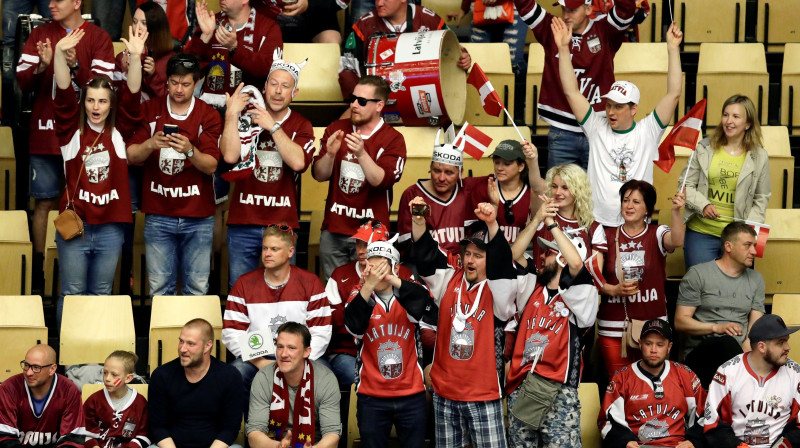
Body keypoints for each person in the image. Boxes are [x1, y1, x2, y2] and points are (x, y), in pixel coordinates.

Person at [16, 0, 114, 291]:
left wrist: (75, 66)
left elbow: (104, 88)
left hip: (86, 140)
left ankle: (73, 271)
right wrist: (44, 65)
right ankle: (39, 273)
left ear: (77, 3)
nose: (51, 3)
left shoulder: (98, 37)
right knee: (44, 203)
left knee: (83, 203)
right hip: (46, 134)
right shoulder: (39, 35)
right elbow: (21, 81)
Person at [51, 27, 146, 328]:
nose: (96, 107)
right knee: (73, 294)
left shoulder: (119, 134)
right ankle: (69, 358)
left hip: (109, 231)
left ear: (110, 105)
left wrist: (135, 57)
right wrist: (58, 55)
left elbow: (132, 97)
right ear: (84, 103)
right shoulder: (71, 134)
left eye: (103, 101)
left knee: (102, 294)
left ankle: (95, 353)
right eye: (91, 100)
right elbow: (65, 95)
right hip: (76, 228)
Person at [553, 17, 683, 227]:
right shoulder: (596, 127)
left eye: (619, 106)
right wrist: (564, 48)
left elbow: (674, 94)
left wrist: (673, 49)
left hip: (635, 225)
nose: (611, 111)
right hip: (597, 222)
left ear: (634, 109)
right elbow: (571, 92)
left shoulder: (647, 130)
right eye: (609, 105)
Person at [407, 199, 517, 448]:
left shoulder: (499, 290)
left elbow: (503, 266)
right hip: (445, 394)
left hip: (484, 395)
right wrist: (418, 220)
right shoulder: (449, 280)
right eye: (467, 253)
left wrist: (492, 224)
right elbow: (426, 257)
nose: (470, 260)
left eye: (479, 255)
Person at [503, 197, 597, 447]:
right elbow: (511, 256)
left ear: (563, 260)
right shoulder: (532, 287)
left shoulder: (582, 295)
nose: (542, 256)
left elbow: (577, 263)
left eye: (549, 252)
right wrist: (536, 220)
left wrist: (552, 223)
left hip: (559, 393)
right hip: (523, 387)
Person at [127, 53, 222, 296]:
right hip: (159, 214)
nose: (179, 89)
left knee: (198, 289)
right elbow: (130, 155)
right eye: (174, 82)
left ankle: (194, 336)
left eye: (186, 83)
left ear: (197, 83)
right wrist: (150, 144)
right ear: (166, 81)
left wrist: (190, 150)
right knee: (159, 289)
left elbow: (211, 165)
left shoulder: (207, 114)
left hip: (198, 216)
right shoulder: (150, 109)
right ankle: (162, 335)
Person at [221, 51, 315, 288]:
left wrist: (272, 127)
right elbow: (230, 156)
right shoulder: (245, 116)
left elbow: (298, 163)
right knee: (241, 289)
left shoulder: (302, 124)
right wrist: (231, 115)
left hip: (281, 225)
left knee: (281, 291)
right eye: (273, 84)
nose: (278, 91)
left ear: (295, 93)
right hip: (243, 220)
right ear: (265, 87)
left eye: (285, 86)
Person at [513, 0, 636, 169]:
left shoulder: (605, 29)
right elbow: (524, 4)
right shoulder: (553, 28)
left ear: (588, 9)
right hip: (561, 131)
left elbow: (627, 8)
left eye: (572, 10)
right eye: (564, 9)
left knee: (596, 193)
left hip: (597, 129)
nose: (565, 15)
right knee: (558, 193)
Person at [344, 234, 438, 447]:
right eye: (371, 267)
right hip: (371, 396)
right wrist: (368, 286)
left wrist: (391, 279)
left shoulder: (409, 294)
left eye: (381, 268)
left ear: (396, 268)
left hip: (411, 395)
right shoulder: (358, 295)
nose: (376, 273)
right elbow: (354, 327)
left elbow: (428, 311)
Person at [312, 76, 407, 281]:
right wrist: (329, 155)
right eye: (353, 98)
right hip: (334, 229)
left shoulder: (394, 139)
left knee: (372, 293)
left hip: (372, 235)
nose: (354, 104)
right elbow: (319, 175)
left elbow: (382, 181)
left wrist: (362, 154)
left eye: (361, 101)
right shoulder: (337, 127)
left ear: (379, 105)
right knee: (335, 294)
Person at [222, 224, 332, 396]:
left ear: (290, 252)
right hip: (259, 357)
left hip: (299, 357)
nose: (267, 254)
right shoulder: (244, 284)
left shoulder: (310, 282)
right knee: (236, 373)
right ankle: (251, 423)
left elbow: (321, 331)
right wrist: (259, 362)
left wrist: (298, 362)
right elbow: (232, 333)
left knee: (324, 373)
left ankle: (311, 423)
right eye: (265, 248)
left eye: (274, 249)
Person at [597, 180, 685, 378]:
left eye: (636, 202)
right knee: (620, 384)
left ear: (647, 209)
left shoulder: (657, 232)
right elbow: (592, 277)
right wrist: (613, 290)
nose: (629, 206)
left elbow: (677, 241)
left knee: (651, 384)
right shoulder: (606, 235)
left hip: (653, 328)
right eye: (626, 200)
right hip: (614, 327)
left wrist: (676, 213)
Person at [681, 95, 771, 269]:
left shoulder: (759, 156)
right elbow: (685, 185)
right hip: (702, 232)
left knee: (735, 292)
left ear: (748, 124)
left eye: (736, 117)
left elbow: (762, 198)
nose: (729, 121)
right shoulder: (704, 148)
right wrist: (703, 205)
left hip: (737, 238)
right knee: (702, 287)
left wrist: (747, 235)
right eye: (725, 115)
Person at [325, 220, 415, 388]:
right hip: (348, 352)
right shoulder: (340, 275)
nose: (360, 250)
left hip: (395, 349)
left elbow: (416, 314)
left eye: (367, 245)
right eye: (358, 243)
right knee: (359, 377)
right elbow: (332, 323)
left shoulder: (403, 274)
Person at [675, 222, 766, 388]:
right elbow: (680, 321)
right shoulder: (698, 274)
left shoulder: (756, 279)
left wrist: (746, 349)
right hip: (702, 354)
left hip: (739, 355)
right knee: (725, 342)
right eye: (747, 245)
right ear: (728, 246)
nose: (754, 251)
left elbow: (756, 325)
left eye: (754, 245)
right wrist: (717, 328)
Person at [599, 319, 707, 448]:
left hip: (677, 445)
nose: (653, 350)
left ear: (669, 347)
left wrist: (694, 441)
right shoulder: (622, 378)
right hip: (639, 446)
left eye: (660, 345)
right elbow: (606, 420)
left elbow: (707, 413)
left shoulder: (684, 374)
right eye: (648, 344)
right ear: (640, 344)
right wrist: (624, 441)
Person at [338, 0, 471, 101]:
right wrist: (362, 100)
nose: (379, 3)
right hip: (377, 105)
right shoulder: (364, 25)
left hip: (422, 100)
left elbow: (454, 51)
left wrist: (463, 57)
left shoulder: (429, 20)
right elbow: (346, 70)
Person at [704, 314, 800, 448]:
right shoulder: (728, 372)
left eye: (787, 341)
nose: (787, 347)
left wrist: (783, 445)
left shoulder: (795, 373)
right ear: (761, 347)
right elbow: (713, 424)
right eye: (781, 342)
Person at [148, 319, 244, 448]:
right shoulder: (162, 375)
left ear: (208, 345)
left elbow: (230, 429)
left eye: (190, 344)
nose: (182, 349)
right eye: (181, 341)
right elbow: (157, 427)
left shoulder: (230, 376)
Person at [247, 322, 341, 448]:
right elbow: (254, 433)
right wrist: (278, 446)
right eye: (280, 347)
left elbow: (332, 434)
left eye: (291, 348)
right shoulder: (263, 378)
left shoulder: (325, 379)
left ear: (306, 352)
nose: (284, 354)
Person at [185, 0, 282, 109]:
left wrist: (235, 49)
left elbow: (269, 71)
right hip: (210, 110)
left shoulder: (268, 27)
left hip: (250, 111)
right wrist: (204, 38)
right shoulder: (210, 22)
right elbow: (188, 72)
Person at [397, 127, 471, 254]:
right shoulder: (413, 195)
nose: (441, 178)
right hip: (425, 269)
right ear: (430, 168)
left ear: (460, 173)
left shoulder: (468, 193)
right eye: (437, 171)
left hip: (461, 269)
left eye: (449, 173)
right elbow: (406, 247)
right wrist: (418, 219)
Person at [0, 344, 84, 448]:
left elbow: (72, 441)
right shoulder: (8, 388)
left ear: (52, 369)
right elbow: (5, 439)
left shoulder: (69, 391)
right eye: (26, 365)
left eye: (36, 367)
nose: (29, 372)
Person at [529, 163, 607, 269]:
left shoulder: (593, 227)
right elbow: (536, 188)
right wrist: (532, 160)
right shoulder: (543, 216)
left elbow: (595, 275)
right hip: (544, 284)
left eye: (565, 188)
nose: (558, 192)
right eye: (554, 187)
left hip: (578, 285)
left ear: (579, 191)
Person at [467, 140, 532, 243]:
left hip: (522, 254)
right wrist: (494, 205)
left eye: (507, 164)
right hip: (488, 252)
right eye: (496, 162)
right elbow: (476, 236)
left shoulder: (531, 194)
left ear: (521, 166)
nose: (499, 168)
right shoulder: (481, 189)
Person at [83, 351, 150, 448]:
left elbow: (144, 436)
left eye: (114, 375)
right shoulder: (94, 400)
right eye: (105, 373)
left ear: (128, 378)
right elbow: (87, 434)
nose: (107, 378)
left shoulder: (140, 403)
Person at [114, 2, 176, 101]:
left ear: (157, 27)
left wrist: (153, 76)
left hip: (156, 114)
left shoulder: (170, 60)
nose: (137, 27)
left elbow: (171, 101)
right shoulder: (122, 57)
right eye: (134, 22)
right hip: (128, 114)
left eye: (144, 23)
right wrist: (127, 74)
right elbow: (115, 97)